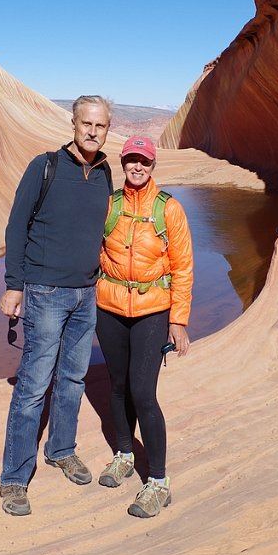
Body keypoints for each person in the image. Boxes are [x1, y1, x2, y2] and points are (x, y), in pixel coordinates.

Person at [0, 95, 113, 516]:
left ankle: (61, 449)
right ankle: (14, 478)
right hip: (45, 293)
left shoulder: (104, 172)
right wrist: (14, 287)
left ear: (107, 128)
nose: (93, 131)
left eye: (101, 126)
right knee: (32, 387)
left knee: (73, 381)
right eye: (87, 123)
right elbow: (16, 226)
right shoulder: (44, 167)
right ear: (73, 123)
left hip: (87, 294)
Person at [96, 135, 193, 518]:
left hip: (153, 310)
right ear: (123, 163)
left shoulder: (168, 210)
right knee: (117, 387)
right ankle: (123, 454)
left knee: (143, 392)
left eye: (145, 162)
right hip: (110, 307)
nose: (137, 167)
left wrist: (179, 321)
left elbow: (183, 267)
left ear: (153, 166)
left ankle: (158, 482)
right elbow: (92, 252)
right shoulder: (110, 206)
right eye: (131, 160)